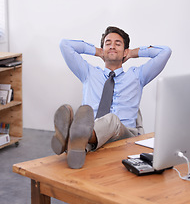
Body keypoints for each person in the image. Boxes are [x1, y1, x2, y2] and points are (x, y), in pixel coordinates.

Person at [51, 26, 172, 169]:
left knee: (112, 119)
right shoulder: (88, 73)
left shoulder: (137, 76)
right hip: (95, 131)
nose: (112, 46)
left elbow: (165, 52)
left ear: (125, 51)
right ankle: (78, 146)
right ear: (102, 49)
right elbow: (64, 44)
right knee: (89, 135)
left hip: (124, 134)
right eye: (108, 43)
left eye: (118, 44)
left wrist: (133, 53)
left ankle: (73, 135)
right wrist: (97, 51)